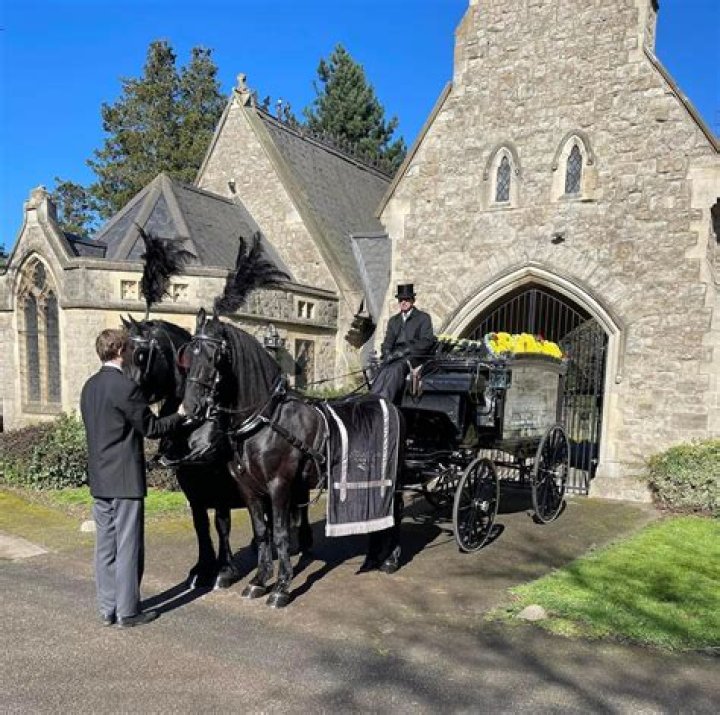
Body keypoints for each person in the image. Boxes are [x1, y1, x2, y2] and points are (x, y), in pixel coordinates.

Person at [80, 328, 187, 628]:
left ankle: (107, 609)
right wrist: (180, 414)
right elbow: (151, 428)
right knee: (128, 546)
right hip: (125, 481)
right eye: (128, 349)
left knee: (105, 547)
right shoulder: (125, 387)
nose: (130, 354)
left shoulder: (89, 387)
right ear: (119, 351)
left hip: (99, 480)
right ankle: (127, 612)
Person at [370, 283, 435, 403]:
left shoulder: (423, 318)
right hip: (395, 356)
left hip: (413, 357)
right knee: (382, 370)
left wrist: (406, 350)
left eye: (406, 299)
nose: (403, 302)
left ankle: (385, 401)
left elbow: (426, 341)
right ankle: (373, 400)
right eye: (401, 300)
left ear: (413, 300)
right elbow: (388, 341)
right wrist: (387, 353)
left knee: (395, 369)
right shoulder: (393, 321)